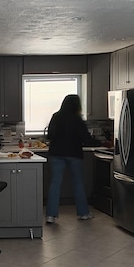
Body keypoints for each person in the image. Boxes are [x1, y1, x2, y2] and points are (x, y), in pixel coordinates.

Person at [45, 94, 103, 223]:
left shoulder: (56, 116)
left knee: (55, 183)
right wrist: (100, 143)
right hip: (74, 154)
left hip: (56, 153)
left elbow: (49, 135)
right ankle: (83, 213)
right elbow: (86, 139)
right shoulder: (78, 119)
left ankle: (51, 215)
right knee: (77, 183)